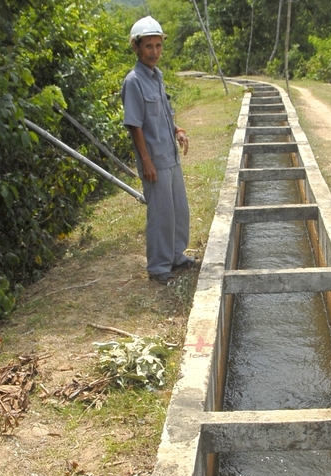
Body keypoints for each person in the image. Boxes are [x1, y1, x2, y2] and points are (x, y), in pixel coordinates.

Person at [121, 16, 196, 286]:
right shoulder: (134, 82)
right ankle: (158, 266)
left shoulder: (157, 77)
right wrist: (146, 161)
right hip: (154, 160)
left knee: (178, 210)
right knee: (161, 214)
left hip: (170, 156)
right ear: (137, 48)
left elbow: (162, 113)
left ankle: (176, 256)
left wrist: (177, 130)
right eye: (148, 46)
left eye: (158, 45)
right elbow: (135, 125)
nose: (154, 52)